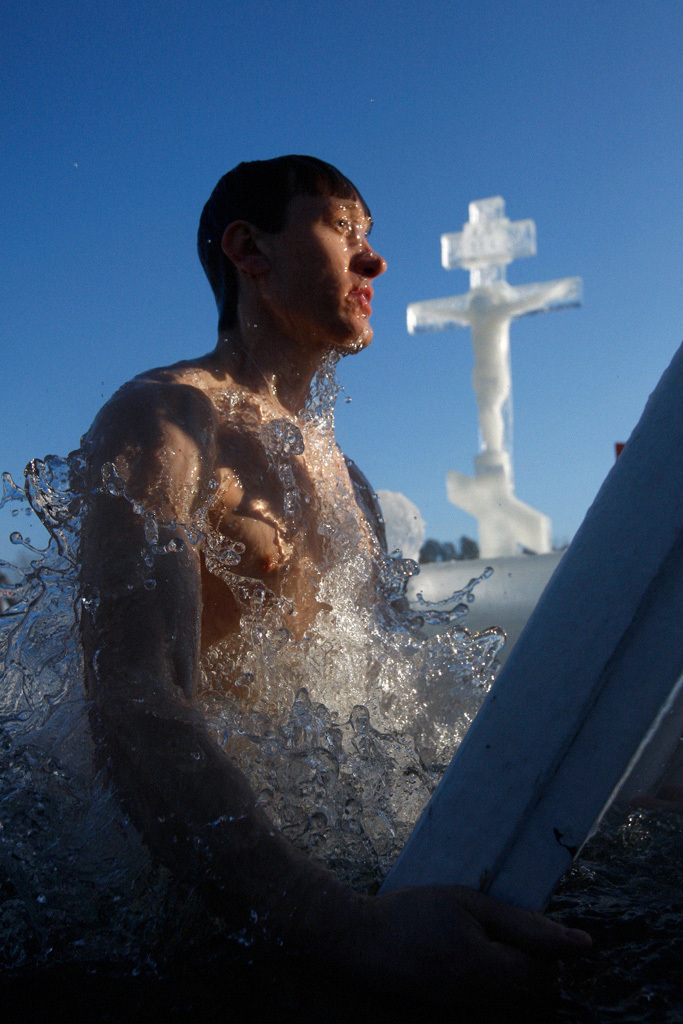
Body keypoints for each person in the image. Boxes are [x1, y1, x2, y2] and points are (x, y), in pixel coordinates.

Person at [79, 155, 591, 1001]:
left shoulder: (348, 482)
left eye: (370, 238)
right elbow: (132, 703)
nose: (375, 261)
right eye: (342, 230)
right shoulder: (166, 421)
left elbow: (388, 704)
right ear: (250, 250)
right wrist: (346, 929)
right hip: (197, 898)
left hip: (335, 849)